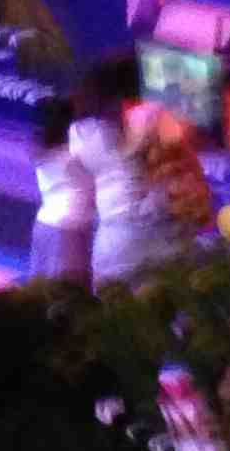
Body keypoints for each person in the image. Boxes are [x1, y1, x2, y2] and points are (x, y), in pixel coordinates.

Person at [68, 50, 204, 285]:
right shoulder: (147, 117)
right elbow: (187, 132)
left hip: (109, 242)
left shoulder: (81, 131)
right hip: (155, 238)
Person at [28, 93, 95, 284]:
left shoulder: (41, 147)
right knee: (67, 291)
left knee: (40, 288)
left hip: (44, 222)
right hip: (71, 226)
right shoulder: (77, 150)